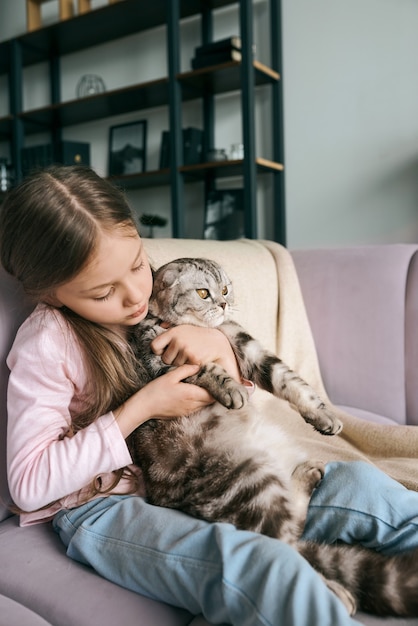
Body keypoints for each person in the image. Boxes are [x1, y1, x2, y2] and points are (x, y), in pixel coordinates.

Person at [1, 165, 418, 626]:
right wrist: (140, 409)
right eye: (104, 293)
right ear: (52, 295)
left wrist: (219, 347)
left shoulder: (163, 290)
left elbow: (235, 383)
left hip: (212, 481)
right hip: (103, 507)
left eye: (139, 263)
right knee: (256, 565)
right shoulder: (48, 342)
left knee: (365, 489)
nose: (136, 293)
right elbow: (28, 482)